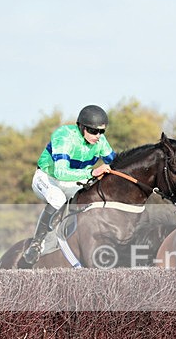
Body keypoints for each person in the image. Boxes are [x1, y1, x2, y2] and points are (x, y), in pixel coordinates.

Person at [23, 105, 116, 265]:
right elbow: (60, 173)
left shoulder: (100, 142)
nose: (98, 136)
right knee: (58, 198)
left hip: (73, 181)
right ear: (81, 127)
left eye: (102, 132)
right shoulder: (64, 136)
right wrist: (91, 173)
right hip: (47, 178)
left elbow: (116, 163)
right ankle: (36, 244)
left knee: (93, 198)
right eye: (94, 131)